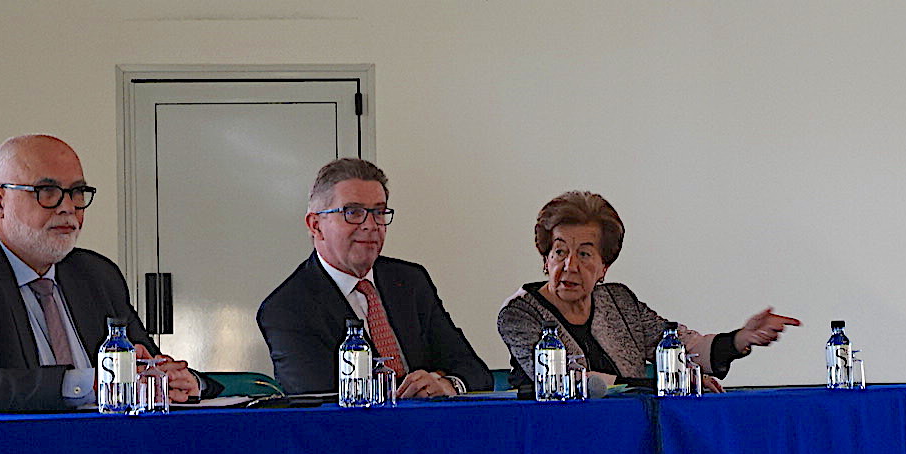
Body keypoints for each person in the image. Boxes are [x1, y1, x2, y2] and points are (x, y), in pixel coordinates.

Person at [0, 134, 209, 416]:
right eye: (47, 191)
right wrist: (86, 384)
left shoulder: (96, 275)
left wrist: (177, 381)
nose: (68, 207)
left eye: (77, 192)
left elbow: (144, 362)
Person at [497, 191, 798, 391]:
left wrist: (739, 339)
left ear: (604, 267)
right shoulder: (519, 313)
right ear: (545, 259)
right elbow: (572, 382)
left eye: (585, 254)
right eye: (560, 252)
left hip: (633, 434)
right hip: (557, 440)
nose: (570, 265)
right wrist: (672, 385)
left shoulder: (618, 301)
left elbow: (680, 345)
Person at [257, 158, 491, 397]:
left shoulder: (410, 281)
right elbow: (321, 401)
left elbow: (475, 371)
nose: (370, 225)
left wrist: (447, 384)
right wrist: (415, 391)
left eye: (378, 212)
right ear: (316, 225)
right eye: (353, 212)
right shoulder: (286, 308)